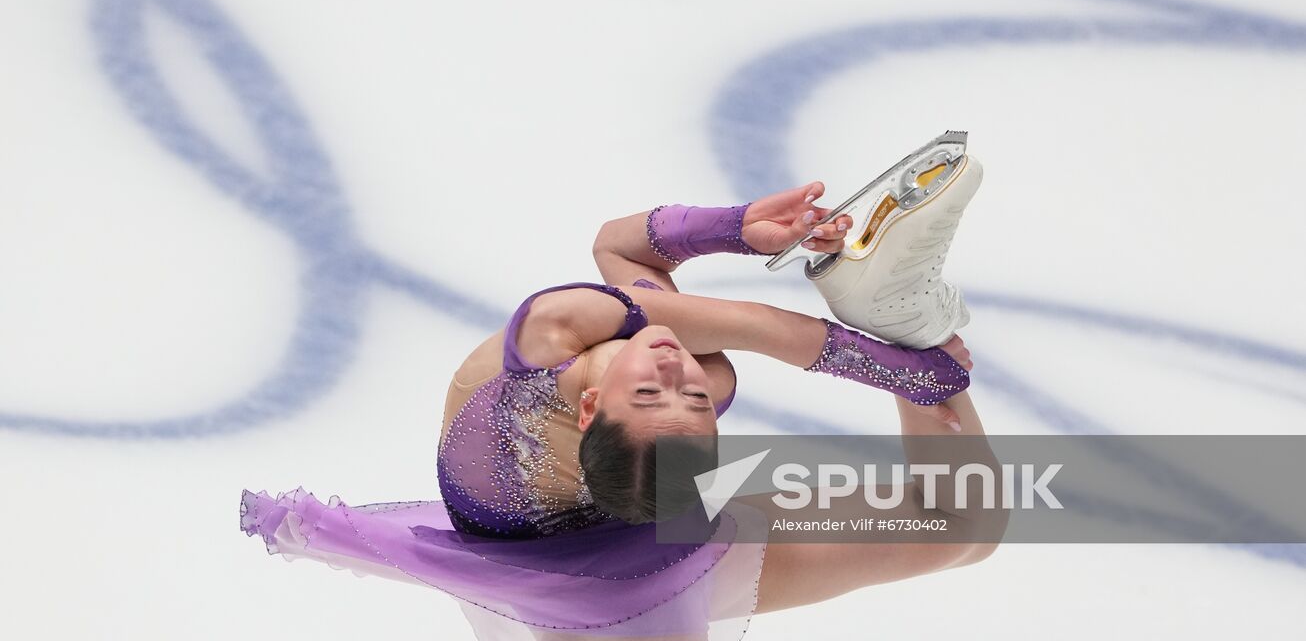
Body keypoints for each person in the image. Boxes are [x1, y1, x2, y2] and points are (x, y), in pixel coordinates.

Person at [240, 149, 999, 640]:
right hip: (615, 597)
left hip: (589, 538)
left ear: (595, 408)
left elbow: (621, 247)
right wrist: (900, 359)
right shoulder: (692, 383)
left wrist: (742, 228)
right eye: (689, 399)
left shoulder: (552, 337)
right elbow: (748, 324)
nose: (675, 369)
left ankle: (903, 318)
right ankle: (903, 318)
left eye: (662, 390)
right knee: (966, 524)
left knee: (962, 526)